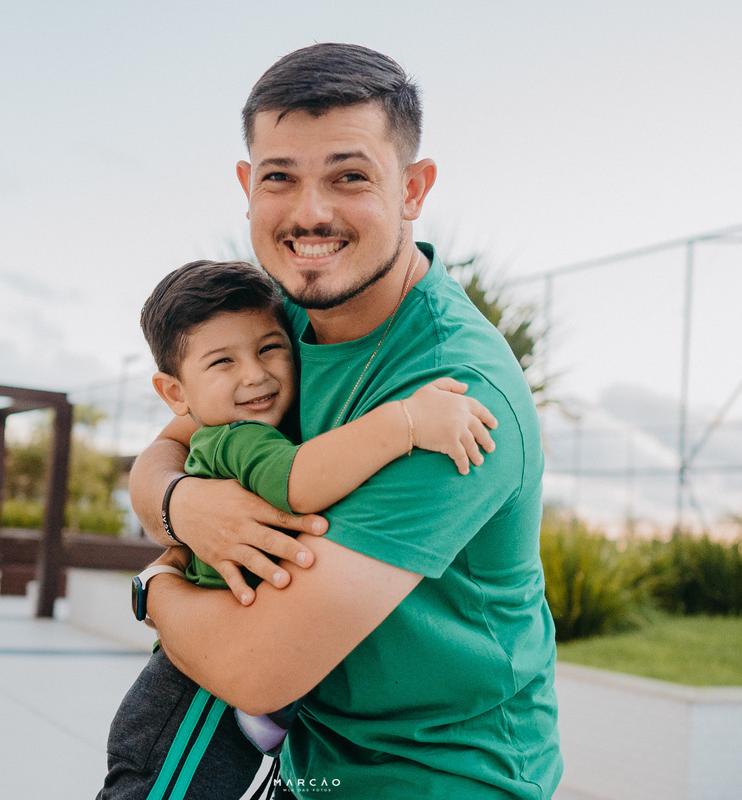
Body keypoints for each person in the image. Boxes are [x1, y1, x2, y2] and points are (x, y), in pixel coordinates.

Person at [128, 43, 563, 799]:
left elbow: (257, 670)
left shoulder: (454, 398)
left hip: (442, 780)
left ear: (412, 189)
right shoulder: (279, 324)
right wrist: (184, 506)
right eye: (280, 178)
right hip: (316, 769)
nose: (310, 213)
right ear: (247, 187)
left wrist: (151, 587)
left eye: (349, 177)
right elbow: (165, 450)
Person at [99, 258, 498, 799]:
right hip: (194, 695)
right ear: (175, 394)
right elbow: (299, 483)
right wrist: (405, 422)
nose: (254, 374)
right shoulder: (237, 437)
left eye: (270, 348)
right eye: (223, 361)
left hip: (226, 690)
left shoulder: (260, 414)